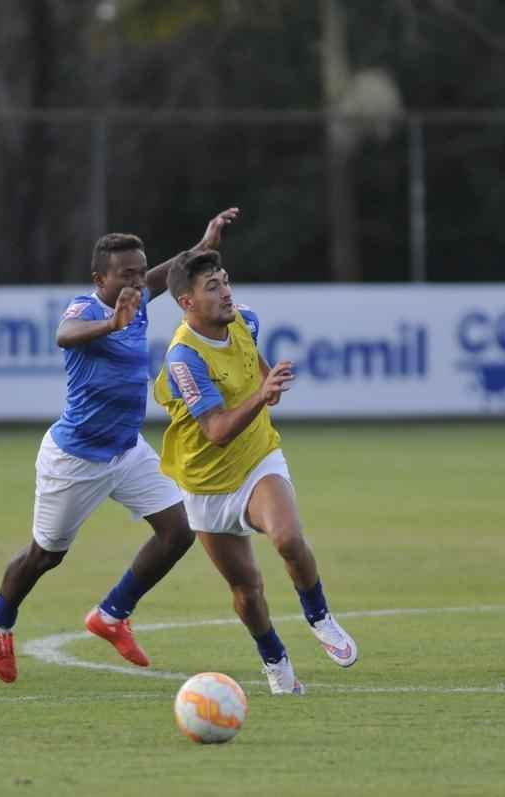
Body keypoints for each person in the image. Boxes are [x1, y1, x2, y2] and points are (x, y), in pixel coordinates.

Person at [0, 208, 239, 684]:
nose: (136, 282)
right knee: (46, 556)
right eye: (125, 275)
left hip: (127, 450)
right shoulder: (86, 310)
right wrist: (112, 325)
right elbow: (65, 335)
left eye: (140, 272)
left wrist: (203, 245)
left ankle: (112, 614)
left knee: (179, 531)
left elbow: (166, 274)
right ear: (100, 279)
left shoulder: (137, 298)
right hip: (76, 457)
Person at [153, 248, 358, 695]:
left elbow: (255, 367)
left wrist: (269, 384)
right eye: (213, 287)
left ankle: (319, 616)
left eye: (225, 280)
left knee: (287, 538)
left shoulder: (245, 319)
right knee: (247, 588)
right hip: (204, 484)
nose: (226, 292)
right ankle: (275, 660)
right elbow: (216, 431)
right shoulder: (184, 358)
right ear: (187, 302)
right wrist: (262, 396)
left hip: (257, 458)